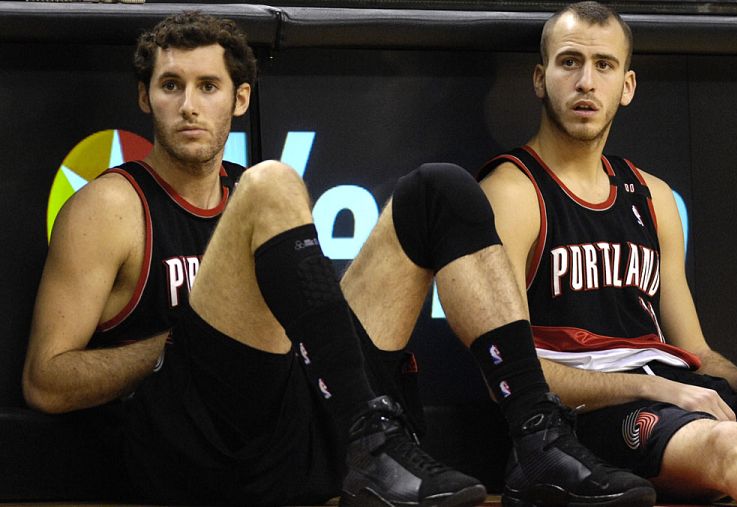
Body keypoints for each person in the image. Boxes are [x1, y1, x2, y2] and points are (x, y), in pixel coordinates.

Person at [21, 11, 658, 507]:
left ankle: (538, 439)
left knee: (438, 187)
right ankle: (373, 437)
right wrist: (176, 343)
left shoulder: (249, 194)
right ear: (144, 99)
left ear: (238, 100)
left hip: (295, 438)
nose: (189, 105)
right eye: (170, 85)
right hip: (195, 451)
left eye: (207, 86)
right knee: (273, 184)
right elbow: (45, 382)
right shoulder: (112, 206)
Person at [478, 2, 737, 506]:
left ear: (627, 86)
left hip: (681, 393)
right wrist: (653, 390)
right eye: (569, 62)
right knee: (724, 442)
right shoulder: (511, 192)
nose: (586, 81)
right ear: (540, 79)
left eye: (604, 65)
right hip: (586, 421)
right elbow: (510, 375)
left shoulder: (652, 196)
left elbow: (694, 353)